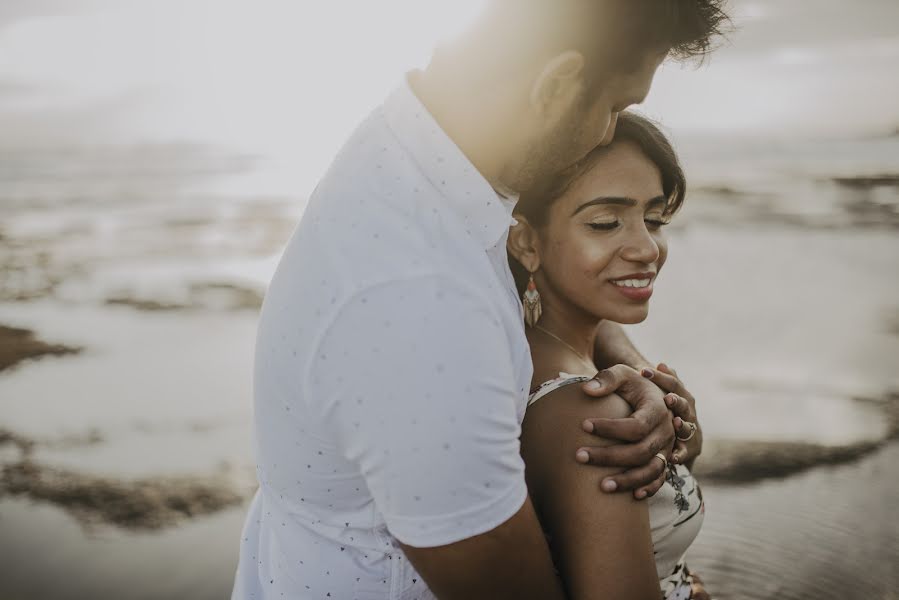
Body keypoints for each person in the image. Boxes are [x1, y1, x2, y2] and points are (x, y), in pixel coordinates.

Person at [231, 2, 727, 598]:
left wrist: (625, 366)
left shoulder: (421, 166)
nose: (606, 131)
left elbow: (523, 279)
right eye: (614, 106)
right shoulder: (414, 297)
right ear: (556, 84)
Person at [509, 112, 708, 600]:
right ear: (526, 241)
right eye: (605, 222)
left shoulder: (552, 354)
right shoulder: (590, 414)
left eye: (655, 219)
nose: (646, 247)